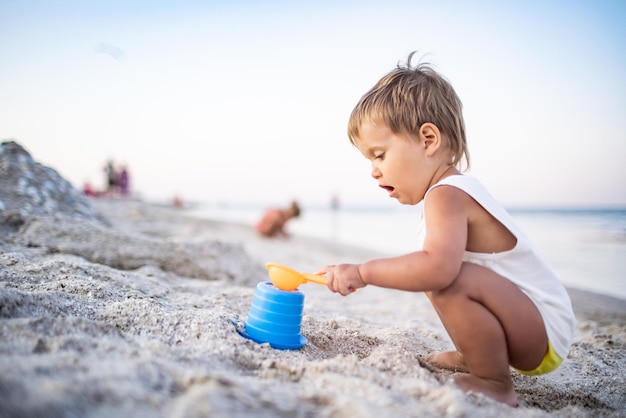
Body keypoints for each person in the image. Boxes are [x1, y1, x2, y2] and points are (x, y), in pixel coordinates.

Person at [318, 53, 575, 407]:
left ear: (428, 140)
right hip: (530, 324)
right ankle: (476, 353)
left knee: (441, 272)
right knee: (433, 271)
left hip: (542, 330)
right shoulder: (448, 191)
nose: (374, 171)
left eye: (379, 155)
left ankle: (494, 381)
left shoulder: (447, 195)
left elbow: (438, 269)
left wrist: (363, 272)